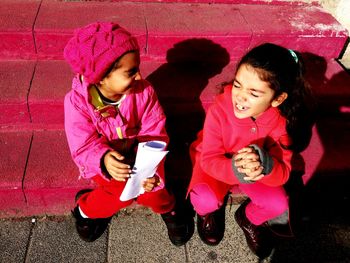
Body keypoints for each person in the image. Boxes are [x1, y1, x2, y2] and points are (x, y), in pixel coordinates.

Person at [63, 22, 194, 245]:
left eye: (138, 68)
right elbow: (82, 144)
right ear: (101, 76)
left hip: (142, 153)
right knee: (120, 196)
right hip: (106, 161)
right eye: (130, 72)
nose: (139, 76)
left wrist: (149, 164)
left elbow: (155, 130)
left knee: (155, 190)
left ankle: (168, 208)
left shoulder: (144, 91)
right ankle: (85, 210)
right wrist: (103, 158)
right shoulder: (78, 103)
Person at [188, 43, 313, 258]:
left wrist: (267, 166)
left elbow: (283, 172)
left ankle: (248, 218)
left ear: (277, 99)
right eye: (238, 85)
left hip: (256, 168)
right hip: (218, 161)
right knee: (203, 198)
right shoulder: (219, 110)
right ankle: (210, 213)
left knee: (278, 204)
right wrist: (234, 168)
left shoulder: (279, 122)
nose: (240, 97)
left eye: (254, 93)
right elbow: (208, 158)